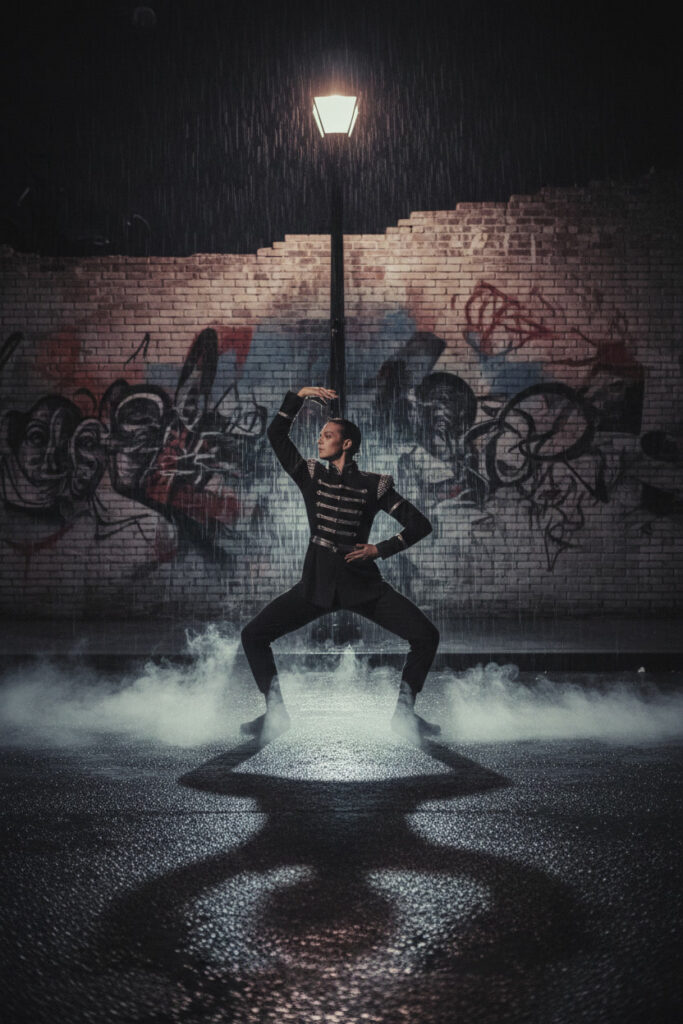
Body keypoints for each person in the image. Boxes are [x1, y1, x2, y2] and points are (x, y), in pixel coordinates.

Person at [240, 386, 440, 744]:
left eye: (328, 435)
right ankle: (276, 714)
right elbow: (277, 434)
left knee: (426, 636)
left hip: (361, 585)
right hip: (316, 584)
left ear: (347, 444)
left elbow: (420, 525)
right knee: (253, 635)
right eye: (320, 435)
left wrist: (379, 550)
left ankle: (405, 715)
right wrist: (299, 396)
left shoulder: (374, 486)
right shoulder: (311, 475)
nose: (320, 440)